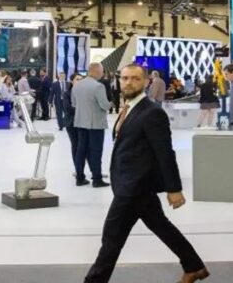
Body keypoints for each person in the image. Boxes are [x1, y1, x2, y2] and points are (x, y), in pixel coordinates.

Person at [85, 64, 208, 283]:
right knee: (160, 226)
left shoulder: (152, 112)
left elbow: (165, 153)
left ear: (146, 82)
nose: (129, 83)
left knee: (112, 237)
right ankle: (194, 265)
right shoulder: (129, 108)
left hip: (134, 187)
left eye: (135, 78)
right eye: (125, 78)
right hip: (132, 185)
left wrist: (174, 188)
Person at [73, 63, 111, 188]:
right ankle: (97, 179)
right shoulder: (98, 86)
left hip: (80, 122)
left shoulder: (77, 85)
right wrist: (111, 104)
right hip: (95, 124)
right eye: (101, 71)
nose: (102, 74)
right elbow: (104, 105)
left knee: (81, 150)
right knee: (95, 151)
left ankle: (79, 177)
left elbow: (74, 103)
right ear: (96, 71)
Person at [64, 73, 83, 174]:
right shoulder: (67, 94)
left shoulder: (85, 93)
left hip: (84, 123)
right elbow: (68, 108)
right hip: (72, 123)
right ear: (72, 81)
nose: (80, 81)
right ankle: (78, 169)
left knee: (84, 146)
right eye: (77, 79)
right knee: (75, 145)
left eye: (81, 79)